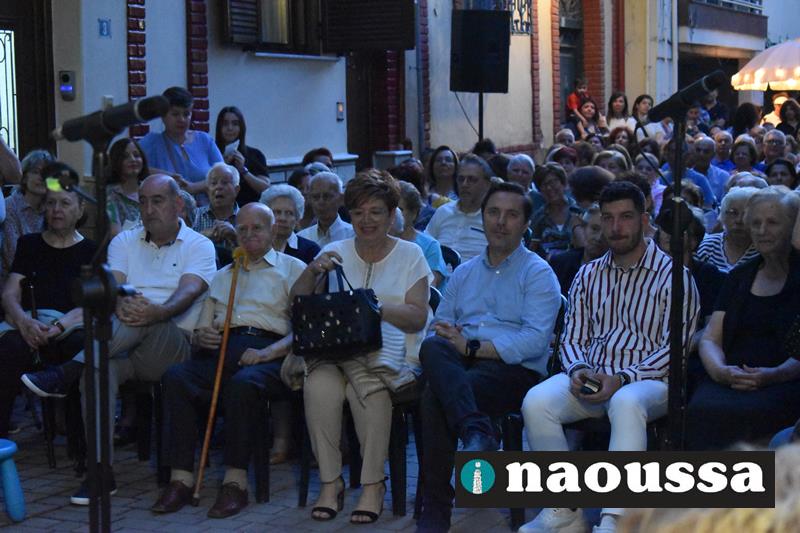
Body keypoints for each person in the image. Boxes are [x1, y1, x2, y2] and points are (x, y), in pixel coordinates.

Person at [21, 174, 217, 504]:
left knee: (144, 315)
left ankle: (66, 371)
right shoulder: (124, 241)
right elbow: (112, 287)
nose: (148, 209)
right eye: (143, 202)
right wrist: (121, 303)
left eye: (157, 201)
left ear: (178, 205)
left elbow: (188, 291)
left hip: (173, 345)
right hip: (123, 342)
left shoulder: (199, 245)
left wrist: (157, 311)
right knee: (97, 370)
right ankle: (101, 474)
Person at [519, 181, 699, 533]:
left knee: (626, 402)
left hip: (652, 381)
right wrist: (578, 369)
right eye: (608, 218)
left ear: (644, 220)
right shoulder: (588, 273)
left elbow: (675, 349)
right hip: (594, 375)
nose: (616, 227)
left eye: (626, 217)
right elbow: (572, 336)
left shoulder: (675, 276)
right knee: (536, 401)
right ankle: (563, 509)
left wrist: (623, 378)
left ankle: (615, 519)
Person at [416, 182, 562, 533]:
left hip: (512, 371)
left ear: (525, 224)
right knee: (431, 347)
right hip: (461, 364)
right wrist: (457, 344)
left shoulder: (538, 273)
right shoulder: (464, 272)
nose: (500, 222)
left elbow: (534, 341)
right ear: (482, 218)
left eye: (511, 215)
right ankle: (476, 429)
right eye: (493, 213)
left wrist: (471, 346)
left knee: (435, 397)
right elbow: (440, 326)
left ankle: (436, 508)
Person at [291, 171, 431, 524]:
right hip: (337, 352)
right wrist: (313, 271)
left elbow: (417, 317)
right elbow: (297, 304)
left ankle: (373, 484)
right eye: (358, 212)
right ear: (349, 215)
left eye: (376, 212)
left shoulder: (411, 254)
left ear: (392, 214)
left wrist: (372, 308)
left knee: (365, 390)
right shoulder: (334, 251)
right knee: (318, 385)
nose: (366, 220)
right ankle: (331, 482)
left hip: (391, 354)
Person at [151, 203, 305, 518]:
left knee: (242, 385)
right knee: (176, 377)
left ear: (273, 229)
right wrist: (202, 336)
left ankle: (235, 482)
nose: (248, 235)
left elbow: (303, 331)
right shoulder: (224, 275)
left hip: (270, 351)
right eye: (242, 229)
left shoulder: (294, 269)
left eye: (256, 228)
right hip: (224, 348)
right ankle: (181, 479)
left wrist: (267, 353)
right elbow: (202, 328)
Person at [686, 187, 800, 450]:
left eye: (772, 222)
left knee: (758, 412)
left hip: (785, 378)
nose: (762, 230)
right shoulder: (740, 276)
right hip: (732, 375)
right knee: (701, 408)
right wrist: (721, 371)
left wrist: (775, 375)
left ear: (792, 226)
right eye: (756, 223)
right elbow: (711, 339)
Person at [0, 162, 95, 437]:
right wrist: (24, 322)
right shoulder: (29, 244)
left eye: (65, 203)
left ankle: (79, 440)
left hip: (70, 326)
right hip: (28, 324)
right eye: (51, 203)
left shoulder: (91, 251)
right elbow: (9, 293)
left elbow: (91, 305)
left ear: (80, 210)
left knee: (82, 346)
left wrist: (58, 327)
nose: (56, 210)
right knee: (8, 348)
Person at [138, 86, 223, 201]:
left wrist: (194, 187)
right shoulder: (152, 142)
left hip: (207, 209)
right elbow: (133, 168)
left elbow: (225, 175)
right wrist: (166, 176)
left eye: (186, 114)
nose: (181, 119)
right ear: (162, 116)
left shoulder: (204, 140)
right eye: (175, 114)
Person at [424, 154, 492, 262]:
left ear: (487, 185)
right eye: (461, 179)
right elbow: (425, 246)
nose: (464, 184)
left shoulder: (492, 219)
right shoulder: (443, 212)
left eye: (472, 179)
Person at [2, 150, 53, 281]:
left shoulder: (51, 209)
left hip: (43, 277)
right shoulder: (9, 207)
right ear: (24, 177)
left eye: (46, 173)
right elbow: (13, 259)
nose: (42, 177)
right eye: (36, 172)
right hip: (13, 282)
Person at [695, 186, 761, 272]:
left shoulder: (762, 250)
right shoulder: (707, 246)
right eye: (733, 213)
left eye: (746, 214)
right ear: (723, 215)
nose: (739, 220)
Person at [214, 106, 270, 205]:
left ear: (241, 128)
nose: (230, 128)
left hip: (251, 209)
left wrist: (243, 171)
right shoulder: (212, 154)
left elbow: (266, 189)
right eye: (225, 124)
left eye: (235, 124)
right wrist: (222, 166)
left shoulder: (255, 155)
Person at [397, 181, 447, 288]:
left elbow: (430, 289)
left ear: (414, 213)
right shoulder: (376, 241)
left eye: (399, 210)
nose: (393, 214)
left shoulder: (430, 246)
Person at [549, 204, 608, 295]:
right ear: (584, 228)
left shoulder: (618, 270)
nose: (599, 237)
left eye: (606, 233)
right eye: (594, 229)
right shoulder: (560, 263)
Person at [529, 162, 584, 258]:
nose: (549, 188)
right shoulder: (539, 217)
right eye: (543, 185)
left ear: (563, 183)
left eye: (552, 182)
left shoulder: (578, 211)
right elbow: (533, 248)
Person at [259, 184, 320, 264]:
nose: (282, 218)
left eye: (289, 213)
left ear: (297, 218)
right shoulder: (256, 246)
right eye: (277, 212)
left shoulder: (310, 251)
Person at [296, 171, 354, 246]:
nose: (321, 202)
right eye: (316, 197)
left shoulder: (353, 235)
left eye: (327, 196)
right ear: (310, 199)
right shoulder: (301, 238)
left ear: (340, 199)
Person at [193, 162, 240, 253]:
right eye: (213, 183)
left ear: (236, 190)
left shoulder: (246, 217)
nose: (218, 187)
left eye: (224, 183)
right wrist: (202, 236)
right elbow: (181, 247)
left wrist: (236, 237)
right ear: (207, 190)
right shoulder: (194, 215)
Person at [107, 138, 150, 236]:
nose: (133, 160)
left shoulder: (150, 189)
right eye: (125, 156)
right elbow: (115, 234)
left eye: (136, 155)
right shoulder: (111, 193)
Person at [693, 136, 730, 202]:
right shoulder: (684, 174)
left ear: (713, 155)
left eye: (706, 151)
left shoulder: (723, 177)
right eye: (698, 150)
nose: (701, 154)